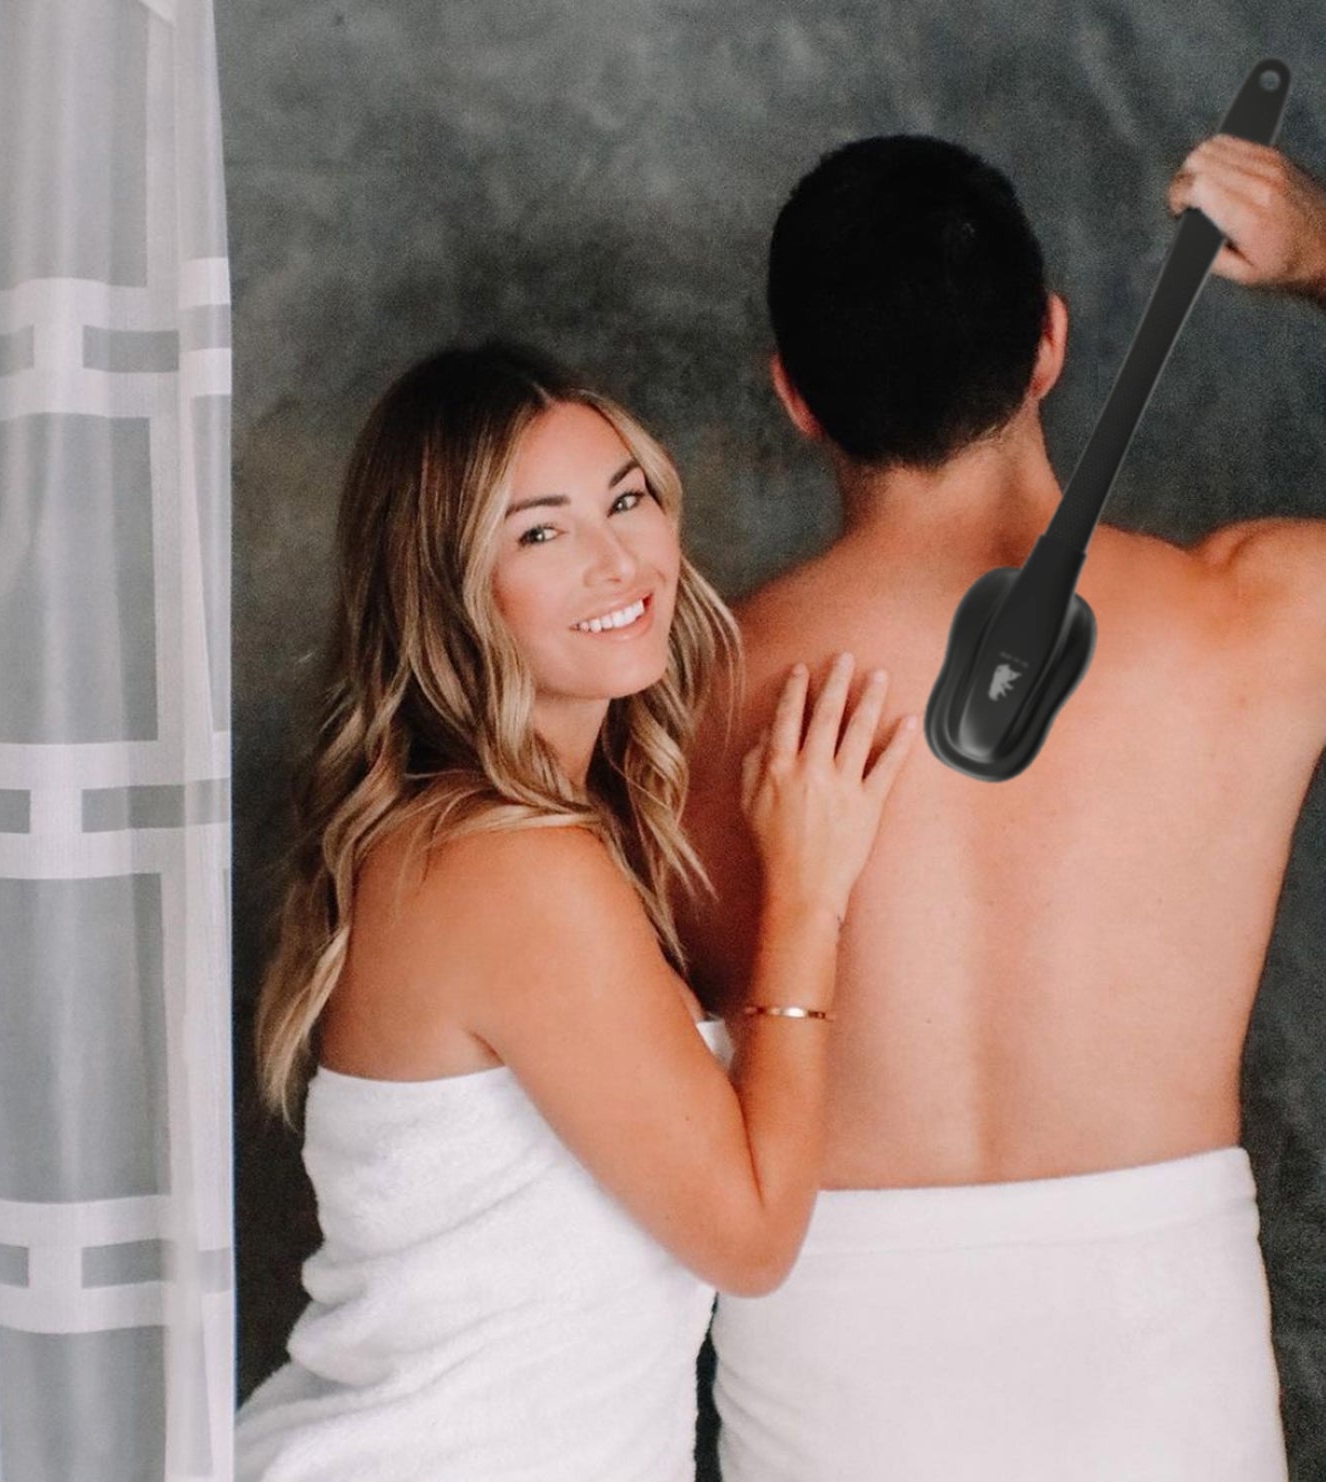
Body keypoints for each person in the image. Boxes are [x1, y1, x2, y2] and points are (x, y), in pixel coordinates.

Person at [679, 134, 1326, 1481]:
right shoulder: (1254, 623)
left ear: (794, 397)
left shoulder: (673, 701)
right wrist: (1319, 255)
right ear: (1048, 343)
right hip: (1161, 1359)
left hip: (831, 1350)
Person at [234, 342, 916, 1481]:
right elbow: (749, 1238)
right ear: (447, 585)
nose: (619, 562)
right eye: (541, 532)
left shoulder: (505, 836)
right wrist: (806, 890)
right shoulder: (508, 866)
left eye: (627, 500)